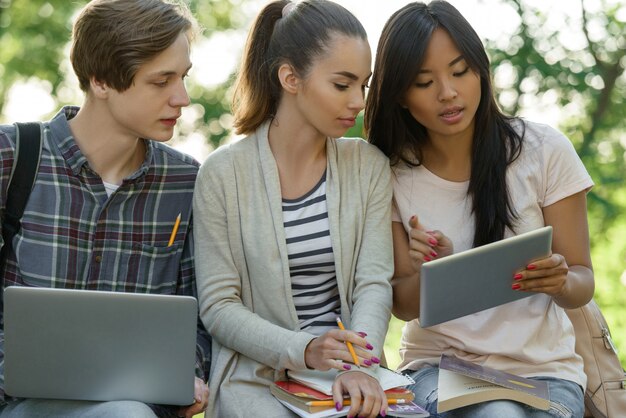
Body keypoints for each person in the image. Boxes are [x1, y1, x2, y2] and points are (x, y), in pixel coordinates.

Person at [365, 1, 594, 417]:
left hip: (546, 373)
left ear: (480, 70)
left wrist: (560, 280)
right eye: (423, 81)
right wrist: (436, 269)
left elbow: (583, 282)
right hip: (439, 369)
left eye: (459, 71)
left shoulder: (543, 151)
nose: (448, 93)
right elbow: (403, 304)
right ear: (399, 94)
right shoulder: (389, 172)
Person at [0, 1, 211, 417]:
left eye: (182, 78)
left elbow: (200, 319)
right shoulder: (13, 156)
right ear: (100, 80)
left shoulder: (186, 182)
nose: (182, 98)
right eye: (161, 81)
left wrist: (190, 372)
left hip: (133, 405)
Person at [193, 1, 393, 417]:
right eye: (342, 85)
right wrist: (303, 349)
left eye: (364, 85)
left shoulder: (368, 166)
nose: (358, 101)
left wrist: (360, 364)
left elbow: (373, 283)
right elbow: (218, 306)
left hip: (348, 372)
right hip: (258, 375)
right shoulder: (222, 174)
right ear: (290, 78)